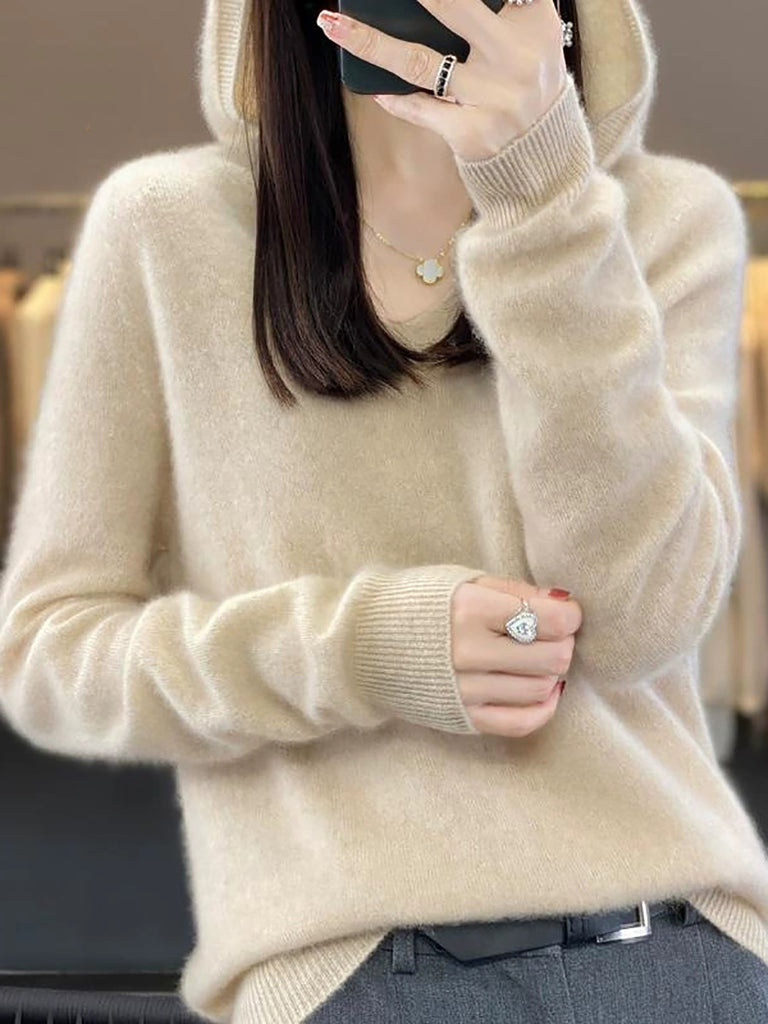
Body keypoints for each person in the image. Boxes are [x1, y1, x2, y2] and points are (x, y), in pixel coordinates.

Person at [1, 0, 768, 1020]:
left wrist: (541, 202)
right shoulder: (166, 227)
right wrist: (367, 648)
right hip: (351, 968)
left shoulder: (664, 218)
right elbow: (50, 654)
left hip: (677, 944)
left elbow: (644, 621)